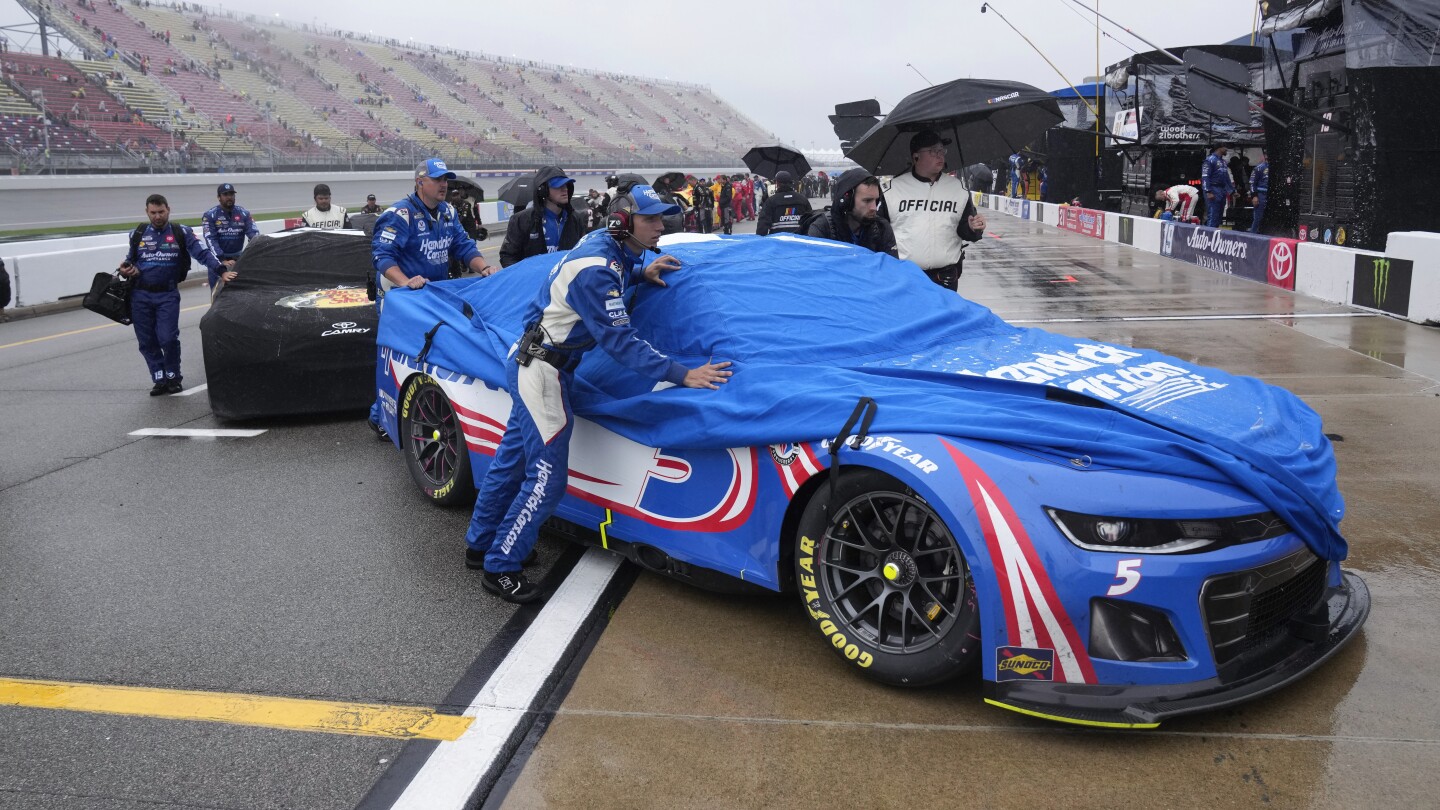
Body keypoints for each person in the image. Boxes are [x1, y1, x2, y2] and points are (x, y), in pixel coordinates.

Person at [464, 186, 734, 602]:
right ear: (623, 222)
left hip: (531, 361)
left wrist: (640, 273)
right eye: (651, 219)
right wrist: (683, 374)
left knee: (511, 459)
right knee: (548, 479)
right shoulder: (598, 270)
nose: (662, 226)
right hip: (543, 373)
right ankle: (501, 565)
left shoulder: (606, 246)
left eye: (662, 218)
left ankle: (480, 544)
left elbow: (604, 278)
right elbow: (621, 342)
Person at [367, 159, 499, 438]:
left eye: (446, 179)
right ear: (420, 182)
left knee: (429, 353)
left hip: (433, 295)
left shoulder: (449, 212)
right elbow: (381, 256)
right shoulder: (399, 214)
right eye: (438, 179)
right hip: (399, 297)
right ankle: (380, 415)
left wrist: (484, 267)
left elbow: (464, 247)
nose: (444, 184)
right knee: (395, 356)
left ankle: (426, 409)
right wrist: (406, 282)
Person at [116, 193, 228, 395]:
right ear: (147, 212)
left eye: (161, 212)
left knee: (167, 338)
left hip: (167, 294)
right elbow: (130, 260)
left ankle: (173, 376)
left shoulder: (181, 232)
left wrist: (222, 271)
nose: (157, 216)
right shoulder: (138, 233)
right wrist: (126, 269)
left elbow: (203, 254)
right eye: (153, 213)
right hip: (139, 295)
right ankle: (159, 378)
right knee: (147, 341)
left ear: (168, 209)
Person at [882, 130, 987, 290]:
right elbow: (880, 233)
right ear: (916, 157)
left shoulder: (957, 188)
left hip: (946, 278)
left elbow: (964, 231)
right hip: (905, 277)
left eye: (941, 150)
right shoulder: (892, 189)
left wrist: (973, 228)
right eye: (933, 151)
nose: (940, 156)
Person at [499, 166, 584, 267]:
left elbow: (583, 253)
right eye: (558, 186)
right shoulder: (521, 220)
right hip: (534, 281)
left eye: (566, 185)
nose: (564, 189)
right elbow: (507, 257)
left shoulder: (576, 219)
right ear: (543, 190)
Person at [805, 168, 898, 258]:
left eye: (876, 200)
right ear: (847, 201)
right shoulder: (823, 228)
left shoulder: (881, 227)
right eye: (867, 200)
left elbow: (892, 268)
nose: (874, 208)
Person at [200, 182, 255, 289]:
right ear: (219, 197)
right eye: (225, 195)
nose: (229, 197)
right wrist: (222, 260)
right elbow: (210, 239)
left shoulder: (244, 213)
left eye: (231, 194)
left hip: (238, 260)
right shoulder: (209, 215)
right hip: (217, 262)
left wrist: (251, 253)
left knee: (240, 293)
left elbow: (254, 235)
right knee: (218, 295)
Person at [755, 170, 812, 236]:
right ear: (791, 182)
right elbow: (810, 220)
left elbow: (763, 224)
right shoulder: (803, 199)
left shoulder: (771, 201)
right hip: (799, 240)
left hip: (778, 241)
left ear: (777, 183)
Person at [1201, 145, 1234, 229]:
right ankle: (1209, 236)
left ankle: (1215, 235)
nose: (1226, 149)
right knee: (1213, 214)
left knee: (1219, 215)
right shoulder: (1210, 160)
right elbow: (1205, 176)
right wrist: (1208, 191)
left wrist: (1232, 191)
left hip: (1222, 190)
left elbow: (1226, 178)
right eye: (1225, 147)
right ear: (1219, 148)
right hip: (1213, 188)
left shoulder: (1223, 162)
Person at [1249, 151, 1269, 233]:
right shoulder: (1259, 168)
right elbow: (1252, 183)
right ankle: (1252, 236)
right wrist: (1254, 196)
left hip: (1273, 196)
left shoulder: (1278, 168)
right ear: (1265, 155)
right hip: (1261, 195)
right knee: (1258, 218)